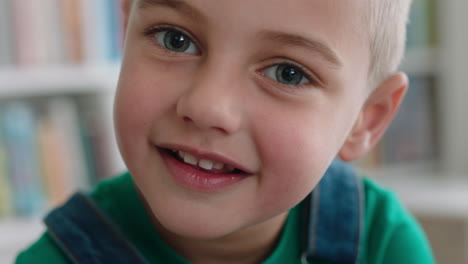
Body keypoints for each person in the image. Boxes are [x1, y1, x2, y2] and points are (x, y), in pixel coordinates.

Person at [16, 0, 435, 263]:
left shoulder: (382, 243)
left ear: (367, 118)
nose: (206, 106)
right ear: (126, 29)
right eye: (175, 39)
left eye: (287, 73)